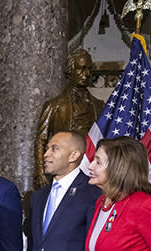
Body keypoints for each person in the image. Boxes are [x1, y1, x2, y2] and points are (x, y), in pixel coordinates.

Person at [35, 48, 104, 189]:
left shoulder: (99, 105)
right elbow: (41, 140)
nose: (86, 74)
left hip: (90, 169)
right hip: (64, 168)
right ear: (70, 71)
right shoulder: (54, 105)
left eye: (89, 69)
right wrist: (40, 172)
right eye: (81, 69)